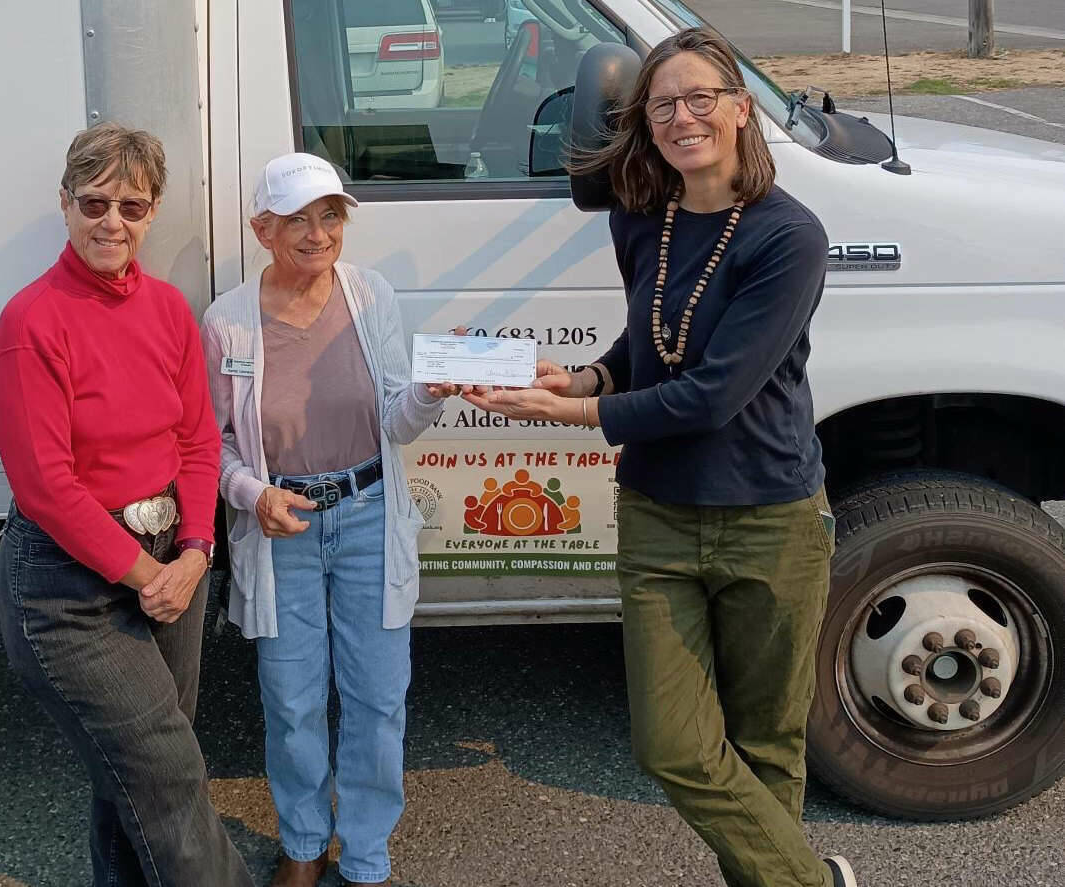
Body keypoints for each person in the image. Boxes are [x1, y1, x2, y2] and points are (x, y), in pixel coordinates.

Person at [466, 28, 858, 887]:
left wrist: (573, 411)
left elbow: (713, 395)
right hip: (659, 514)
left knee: (765, 746)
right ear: (644, 120)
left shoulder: (789, 238)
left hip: (769, 518)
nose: (683, 117)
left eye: (700, 99)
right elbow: (651, 338)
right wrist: (585, 372)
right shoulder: (644, 218)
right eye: (663, 104)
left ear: (741, 109)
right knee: (673, 744)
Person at [0, 122, 253, 887]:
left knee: (134, 771)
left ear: (153, 211)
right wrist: (146, 574)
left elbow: (199, 442)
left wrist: (196, 551)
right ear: (65, 204)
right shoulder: (30, 324)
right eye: (95, 202)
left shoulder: (168, 310)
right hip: (70, 586)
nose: (113, 222)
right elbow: (46, 486)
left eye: (132, 206)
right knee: (167, 771)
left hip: (172, 558)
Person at [202, 152, 457, 887]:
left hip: (369, 516)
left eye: (331, 216)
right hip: (282, 526)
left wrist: (431, 392)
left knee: (378, 696)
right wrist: (253, 493)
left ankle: (368, 852)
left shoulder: (370, 295)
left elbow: (399, 422)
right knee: (292, 699)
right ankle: (305, 842)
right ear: (262, 229)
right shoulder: (228, 320)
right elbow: (208, 441)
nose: (318, 234)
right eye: (298, 220)